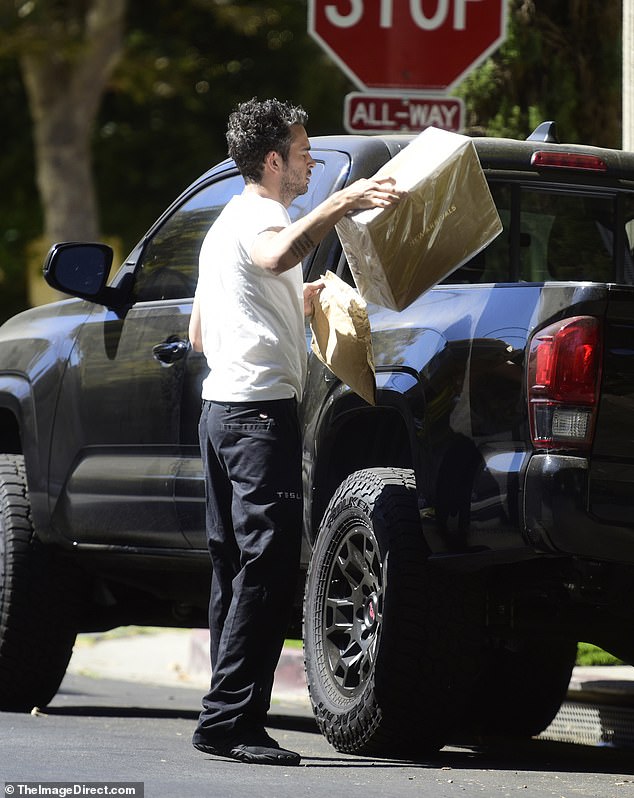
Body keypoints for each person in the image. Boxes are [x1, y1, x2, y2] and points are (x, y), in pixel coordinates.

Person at [189, 97, 403, 766]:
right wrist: (344, 205)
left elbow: (199, 332)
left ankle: (225, 716)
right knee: (271, 564)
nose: (311, 162)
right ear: (274, 161)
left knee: (237, 566)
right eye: (304, 153)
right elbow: (279, 251)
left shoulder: (224, 222)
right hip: (256, 417)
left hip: (221, 412)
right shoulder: (261, 214)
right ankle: (229, 723)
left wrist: (296, 301)